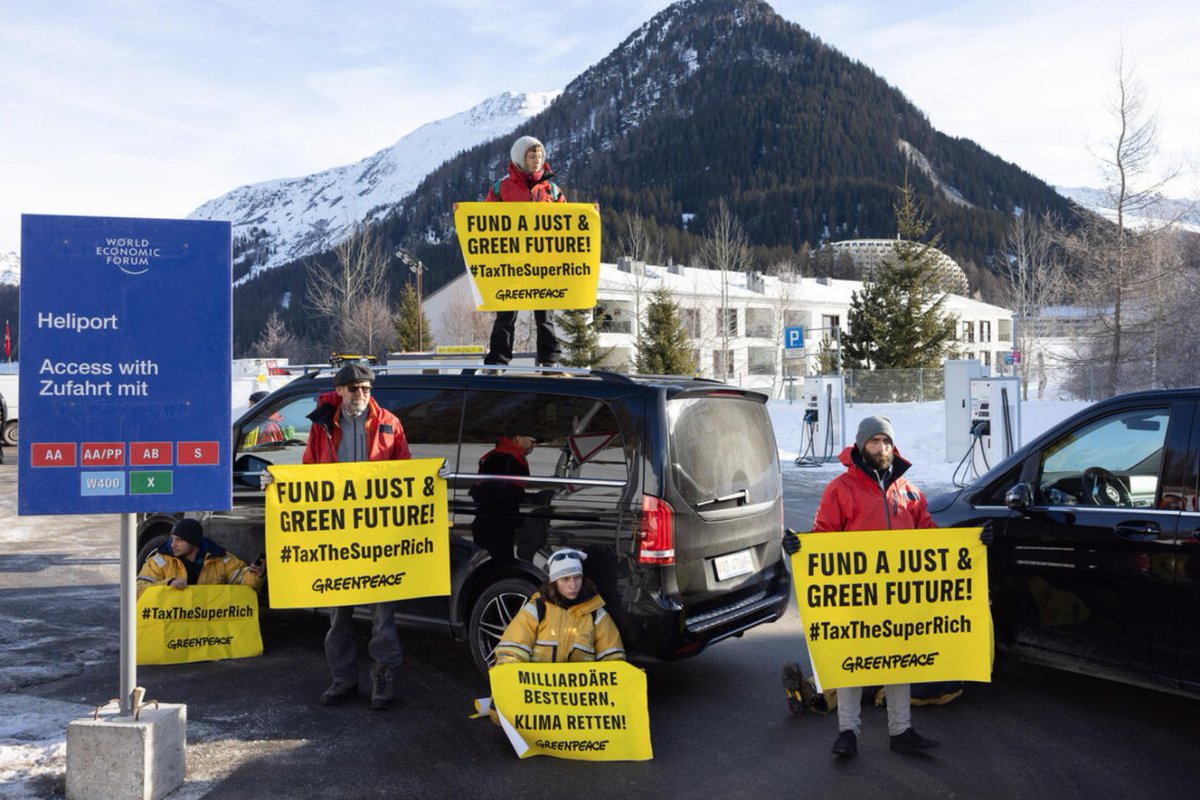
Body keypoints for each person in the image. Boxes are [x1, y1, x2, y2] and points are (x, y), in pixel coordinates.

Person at [782, 415, 940, 758]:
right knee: (853, 661)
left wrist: (973, 545)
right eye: (874, 441)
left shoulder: (909, 492)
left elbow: (930, 536)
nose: (881, 448)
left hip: (899, 595)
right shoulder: (841, 489)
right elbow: (824, 535)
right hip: (857, 597)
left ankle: (901, 730)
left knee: (900, 661)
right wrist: (801, 546)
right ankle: (848, 732)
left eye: (886, 441)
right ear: (860, 445)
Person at [303, 363, 411, 710]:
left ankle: (383, 676)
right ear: (339, 391)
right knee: (339, 614)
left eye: (366, 389)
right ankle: (343, 679)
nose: (361, 395)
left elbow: (406, 472)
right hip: (337, 535)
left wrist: (432, 478)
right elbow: (308, 471)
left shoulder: (390, 423)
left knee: (384, 615)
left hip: (379, 534)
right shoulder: (321, 425)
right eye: (353, 389)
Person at [483, 135, 564, 368]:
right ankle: (498, 361)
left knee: (545, 315)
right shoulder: (501, 189)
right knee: (507, 314)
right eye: (531, 155)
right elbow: (484, 220)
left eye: (539, 155)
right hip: (512, 261)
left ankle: (549, 361)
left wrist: (590, 214)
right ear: (521, 157)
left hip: (543, 261)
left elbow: (567, 221)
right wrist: (463, 213)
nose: (537, 159)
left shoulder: (553, 190)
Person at [493, 548, 625, 665]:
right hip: (539, 690)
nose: (573, 585)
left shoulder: (596, 614)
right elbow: (511, 651)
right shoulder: (538, 609)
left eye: (577, 578)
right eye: (565, 579)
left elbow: (614, 660)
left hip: (580, 692)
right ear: (554, 582)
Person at [136, 518, 263, 598]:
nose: (173, 545)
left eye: (179, 540)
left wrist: (255, 574)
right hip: (171, 629)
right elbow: (138, 591)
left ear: (193, 542)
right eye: (172, 539)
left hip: (203, 632)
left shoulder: (220, 559)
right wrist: (167, 584)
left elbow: (243, 583)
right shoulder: (159, 561)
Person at [469, 430, 544, 563]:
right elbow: (505, 489)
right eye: (532, 441)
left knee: (490, 563)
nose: (534, 445)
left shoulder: (500, 453)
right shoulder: (509, 455)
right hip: (499, 518)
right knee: (502, 563)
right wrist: (529, 497)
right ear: (518, 438)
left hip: (489, 516)